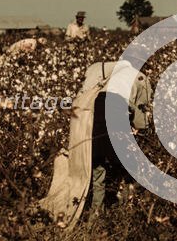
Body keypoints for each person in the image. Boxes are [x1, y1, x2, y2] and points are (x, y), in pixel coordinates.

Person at [39, 48, 152, 228]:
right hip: (113, 118)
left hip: (95, 121)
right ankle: (125, 217)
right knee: (129, 171)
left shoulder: (111, 73)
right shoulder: (141, 78)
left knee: (98, 170)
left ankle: (94, 218)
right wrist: (143, 127)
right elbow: (142, 118)